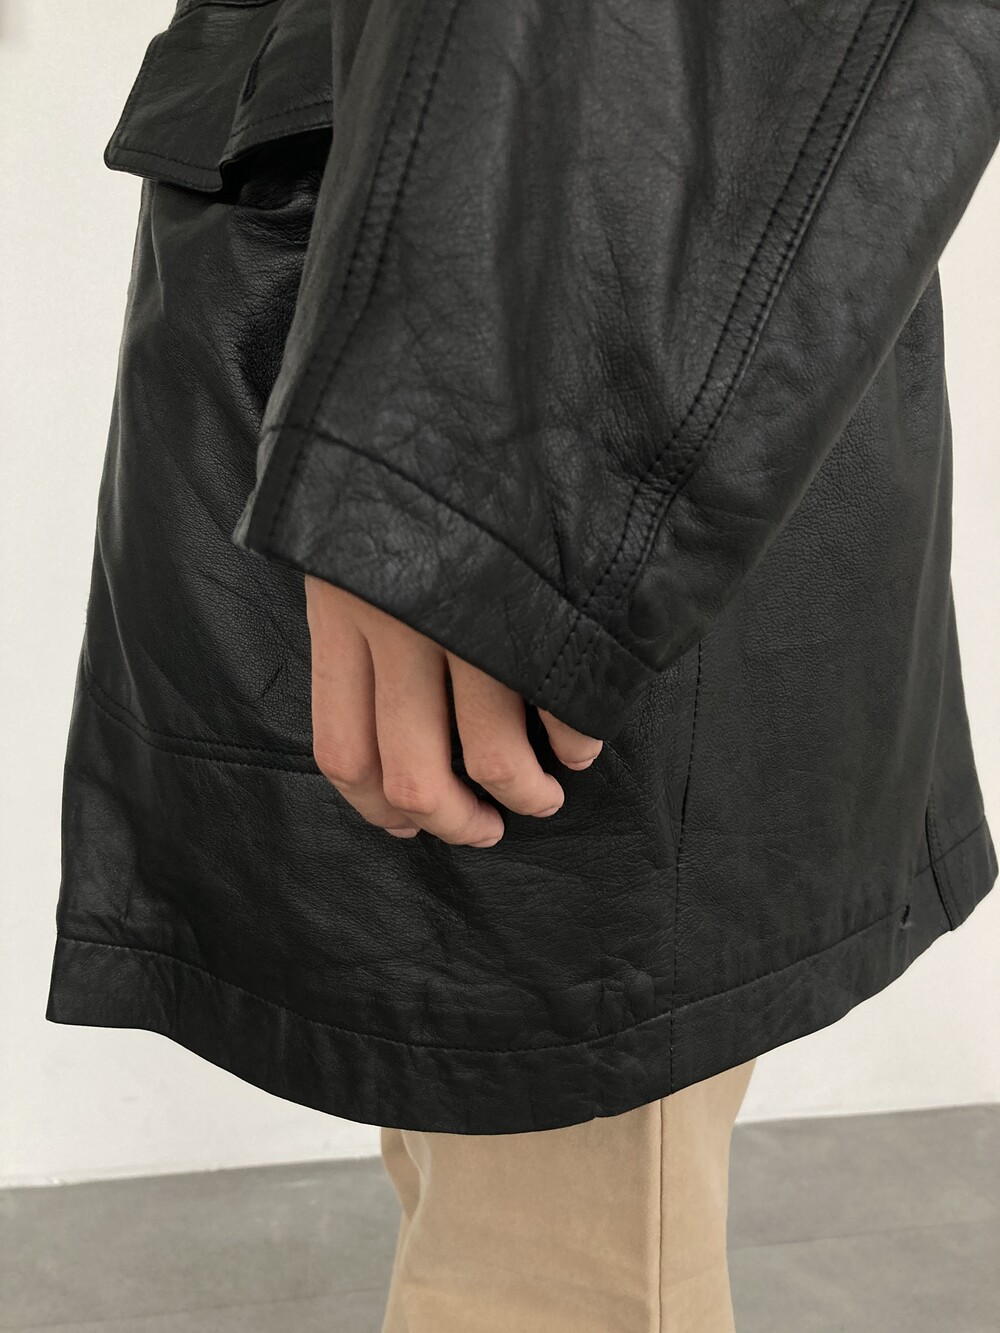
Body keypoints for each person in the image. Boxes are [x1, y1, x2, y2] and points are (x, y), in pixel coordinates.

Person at [46, 1, 999, 1329]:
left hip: (544, 369)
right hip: (441, 296)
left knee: (555, 1248)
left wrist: (455, 480)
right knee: (481, 1170)